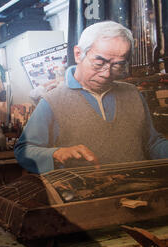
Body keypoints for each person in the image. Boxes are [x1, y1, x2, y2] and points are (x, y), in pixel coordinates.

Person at [15, 21, 168, 174]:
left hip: (137, 192)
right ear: (78, 54)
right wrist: (56, 154)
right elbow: (24, 151)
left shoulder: (133, 94)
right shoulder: (52, 101)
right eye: (99, 63)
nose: (107, 73)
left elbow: (152, 143)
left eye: (117, 65)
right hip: (85, 195)